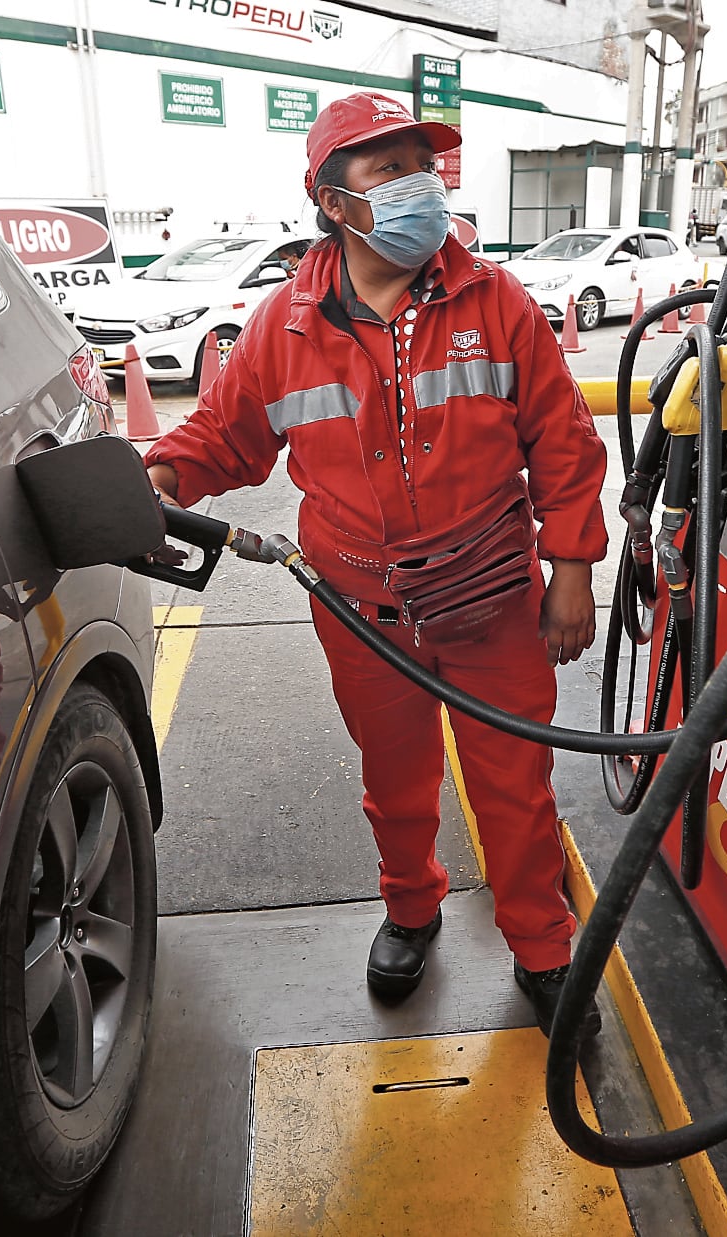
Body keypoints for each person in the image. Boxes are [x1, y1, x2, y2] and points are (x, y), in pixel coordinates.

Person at [144, 92, 608, 1036]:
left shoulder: (496, 301)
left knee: (513, 784)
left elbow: (561, 441)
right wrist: (152, 475)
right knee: (395, 782)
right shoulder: (287, 324)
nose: (417, 187)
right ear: (332, 202)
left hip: (494, 601)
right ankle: (410, 907)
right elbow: (222, 439)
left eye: (421, 166)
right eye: (386, 170)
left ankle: (542, 944)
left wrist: (569, 572)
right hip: (362, 610)